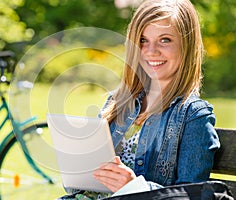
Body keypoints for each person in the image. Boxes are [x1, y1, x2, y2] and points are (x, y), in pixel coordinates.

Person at [60, 0, 220, 199]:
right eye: (143, 40)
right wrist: (77, 170)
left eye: (165, 40)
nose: (151, 51)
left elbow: (194, 196)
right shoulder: (117, 102)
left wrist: (132, 186)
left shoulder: (192, 115)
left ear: (186, 46)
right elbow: (81, 186)